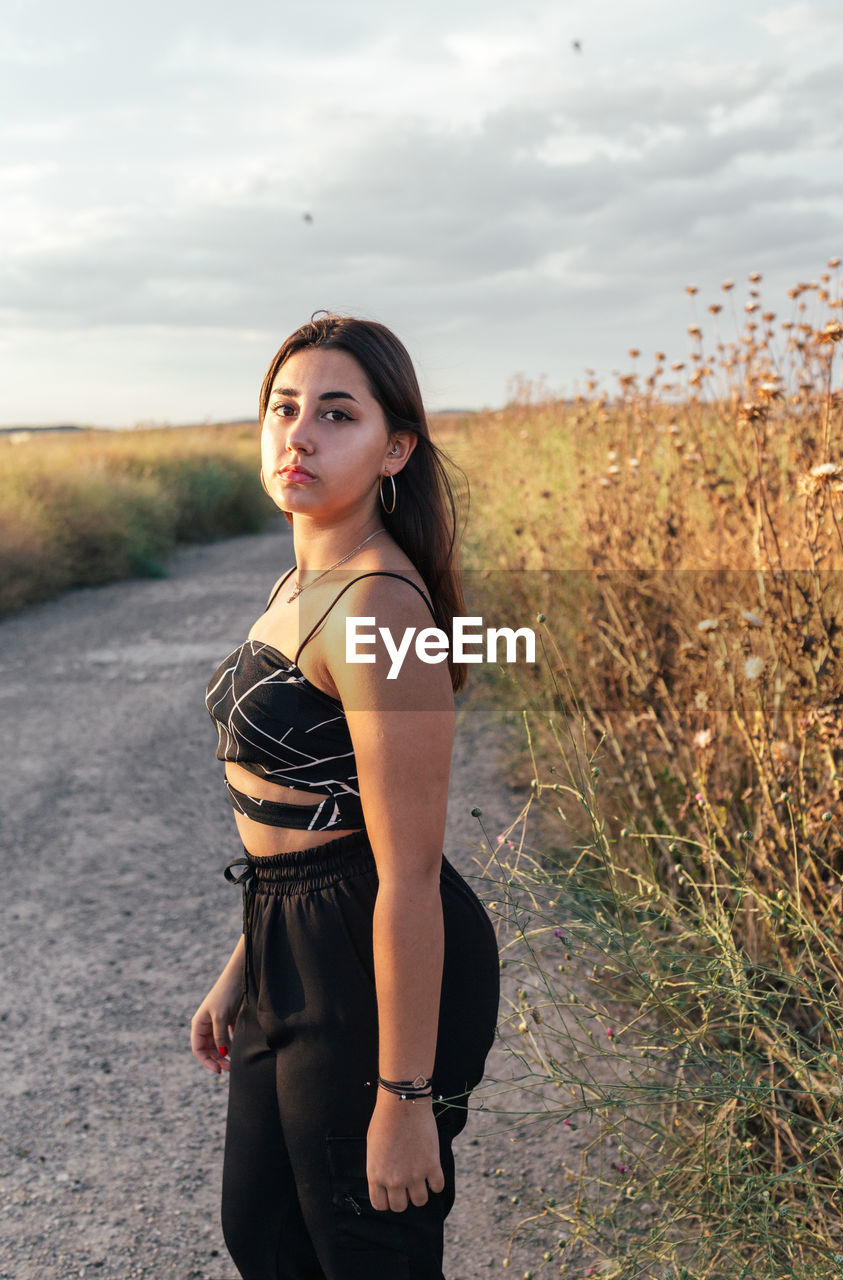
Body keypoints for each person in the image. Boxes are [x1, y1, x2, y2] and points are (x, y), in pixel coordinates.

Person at [190, 313, 500, 1280]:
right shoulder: (301, 579)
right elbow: (313, 806)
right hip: (290, 932)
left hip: (371, 946)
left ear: (393, 446)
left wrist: (403, 1097)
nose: (300, 435)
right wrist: (249, 958)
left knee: (368, 1251)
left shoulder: (378, 605)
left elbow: (403, 871)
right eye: (284, 409)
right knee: (269, 1237)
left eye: (336, 413)